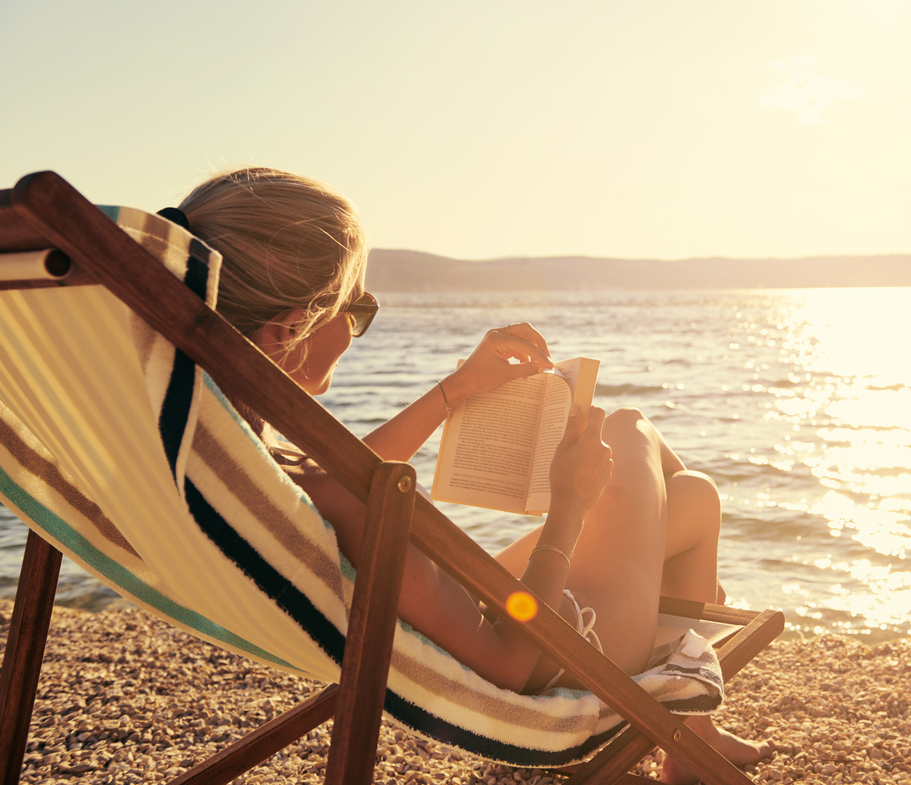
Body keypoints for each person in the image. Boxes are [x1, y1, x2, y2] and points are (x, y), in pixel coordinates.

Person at [173, 167, 773, 784]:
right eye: (356, 310)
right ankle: (688, 713)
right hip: (561, 653)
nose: (357, 327)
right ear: (288, 330)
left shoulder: (228, 446)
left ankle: (693, 730)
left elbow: (339, 477)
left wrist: (454, 392)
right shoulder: (318, 489)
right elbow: (511, 665)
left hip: (499, 613)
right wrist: (568, 503)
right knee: (629, 428)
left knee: (692, 498)